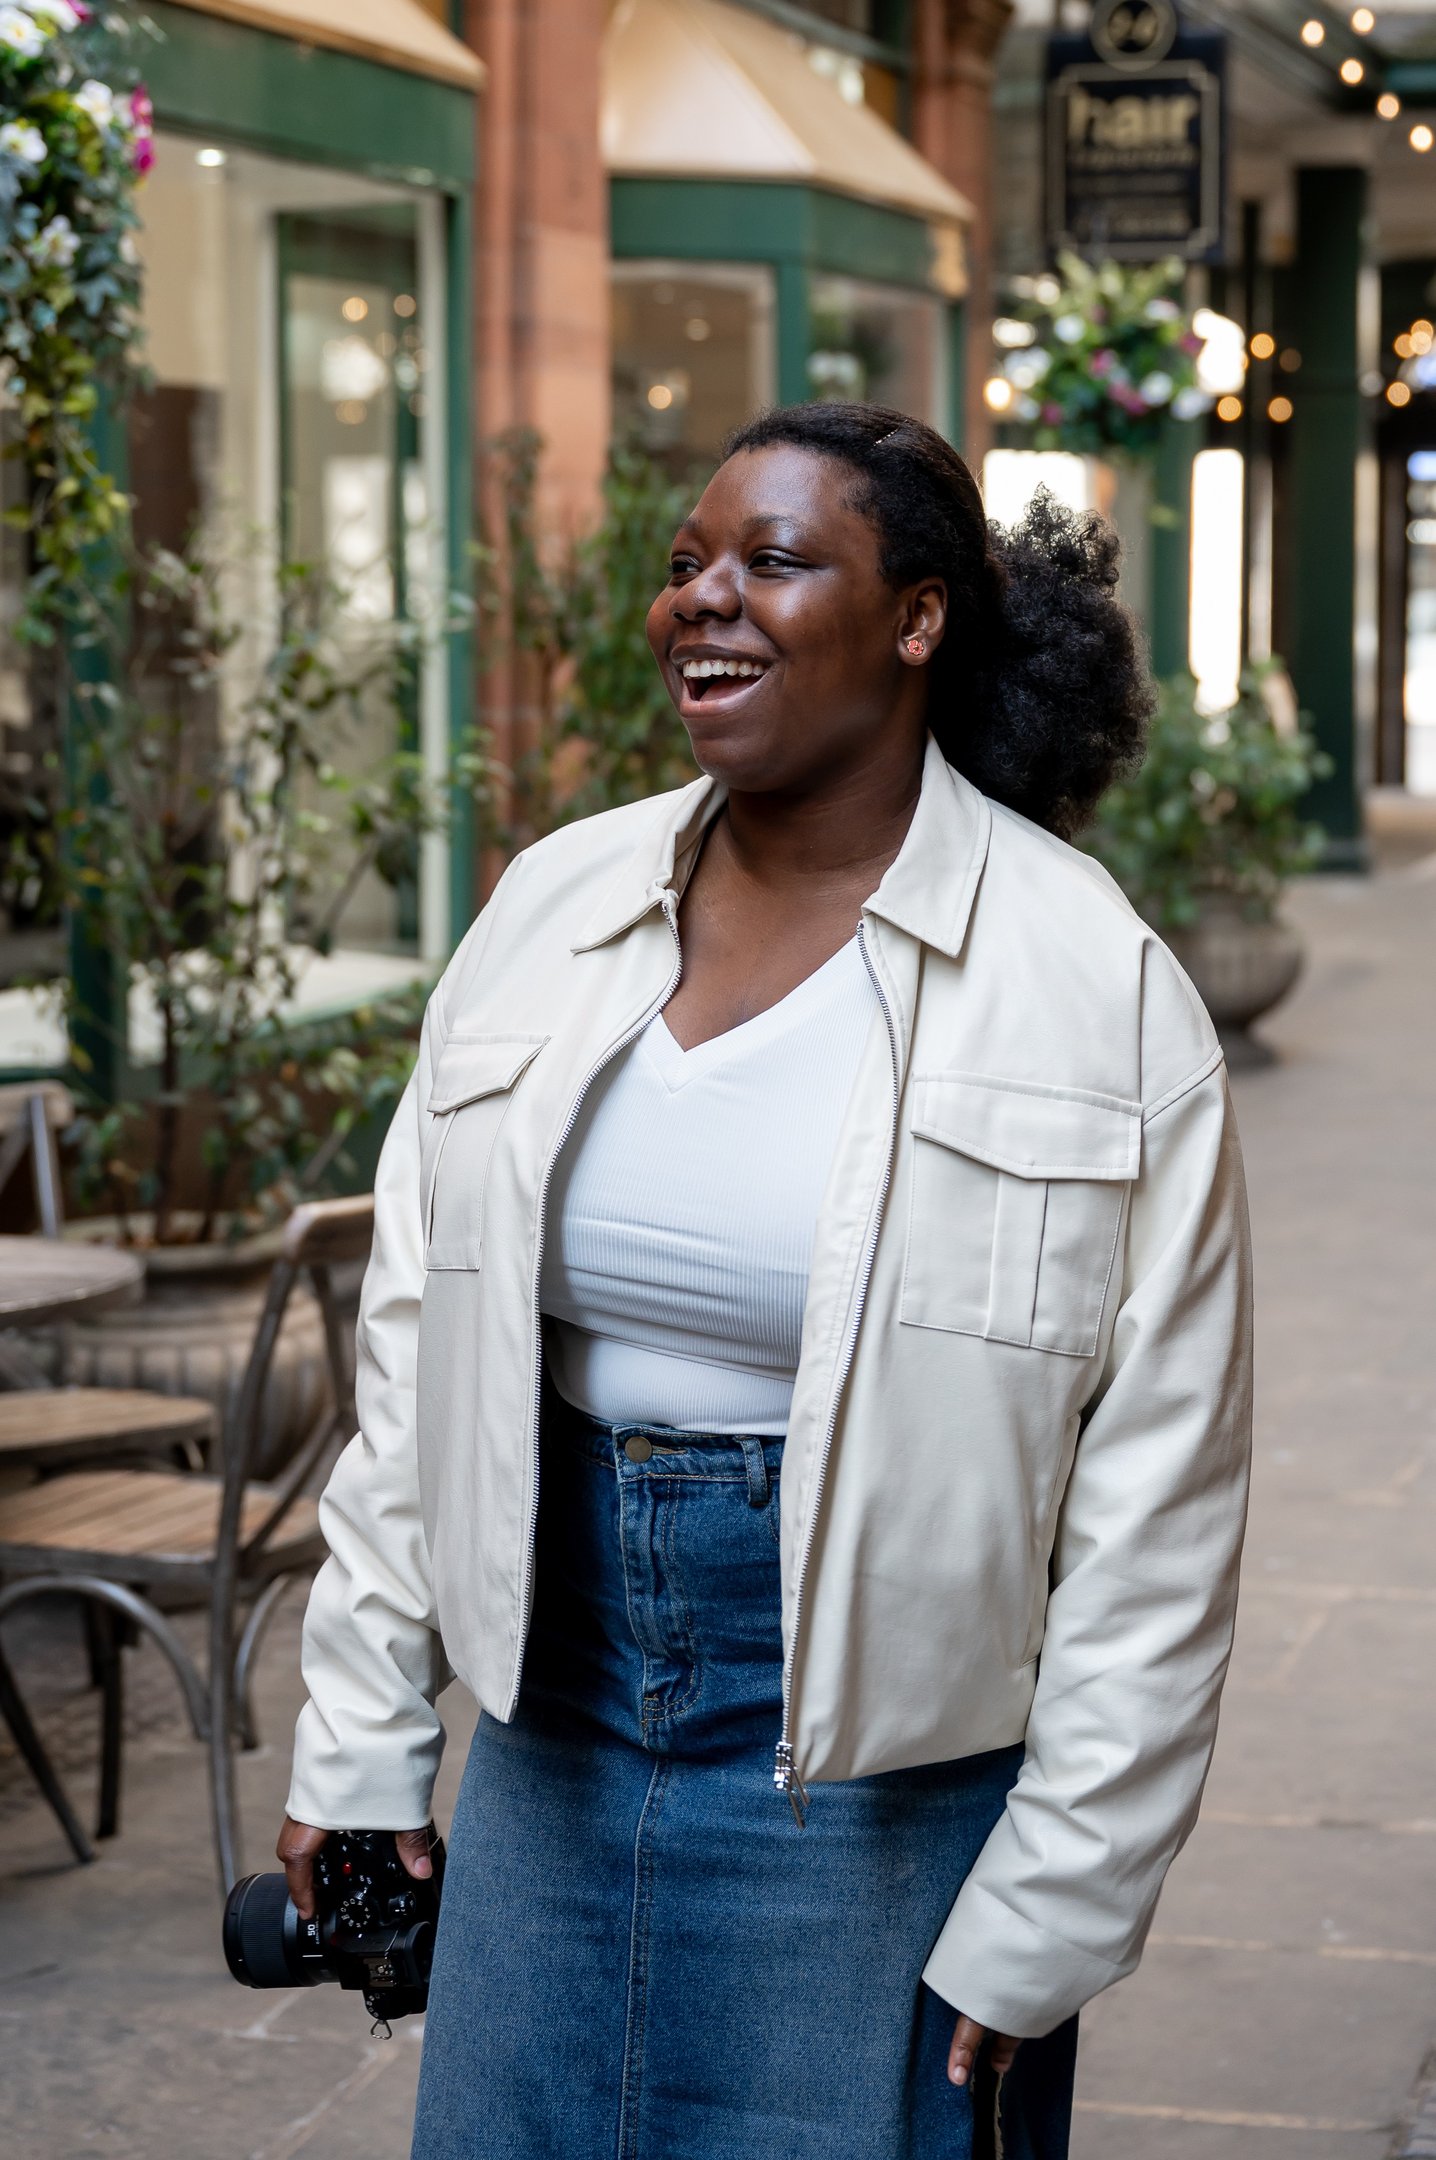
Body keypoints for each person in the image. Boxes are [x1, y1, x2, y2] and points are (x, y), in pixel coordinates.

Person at [277, 402, 1252, 2160]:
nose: (702, 598)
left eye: (774, 561)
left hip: (889, 1779)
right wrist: (358, 1733)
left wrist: (1059, 1895)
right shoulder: (549, 909)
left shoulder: (1092, 988)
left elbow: (1159, 1506)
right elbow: (418, 1355)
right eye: (687, 564)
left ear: (920, 617)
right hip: (553, 1717)